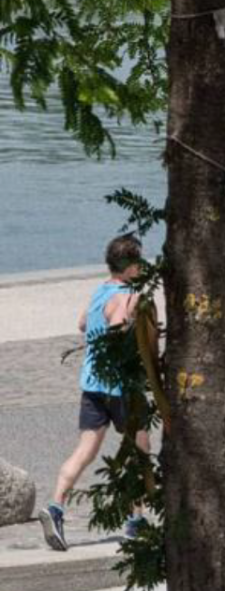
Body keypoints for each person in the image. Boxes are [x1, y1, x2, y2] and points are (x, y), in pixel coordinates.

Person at [40, 233, 153, 551]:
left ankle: (55, 506)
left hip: (92, 386)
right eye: (139, 261)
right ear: (129, 266)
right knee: (139, 451)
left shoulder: (99, 291)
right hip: (121, 388)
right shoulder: (128, 296)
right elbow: (118, 326)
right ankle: (136, 522)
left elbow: (82, 323)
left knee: (85, 451)